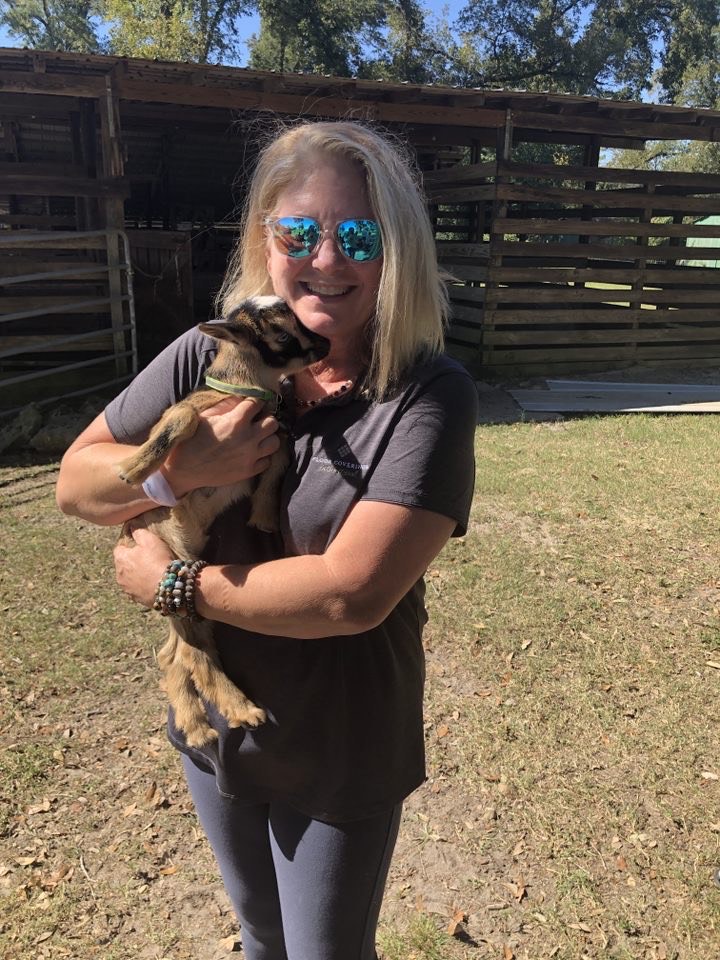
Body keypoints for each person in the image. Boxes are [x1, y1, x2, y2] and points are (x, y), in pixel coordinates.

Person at [56, 120, 478, 960]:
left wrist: (175, 587)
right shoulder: (206, 355)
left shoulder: (426, 395)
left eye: (359, 234)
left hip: (338, 737)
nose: (327, 259)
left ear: (396, 251)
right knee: (260, 934)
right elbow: (76, 483)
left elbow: (349, 594)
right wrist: (175, 472)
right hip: (217, 725)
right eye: (300, 232)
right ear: (266, 240)